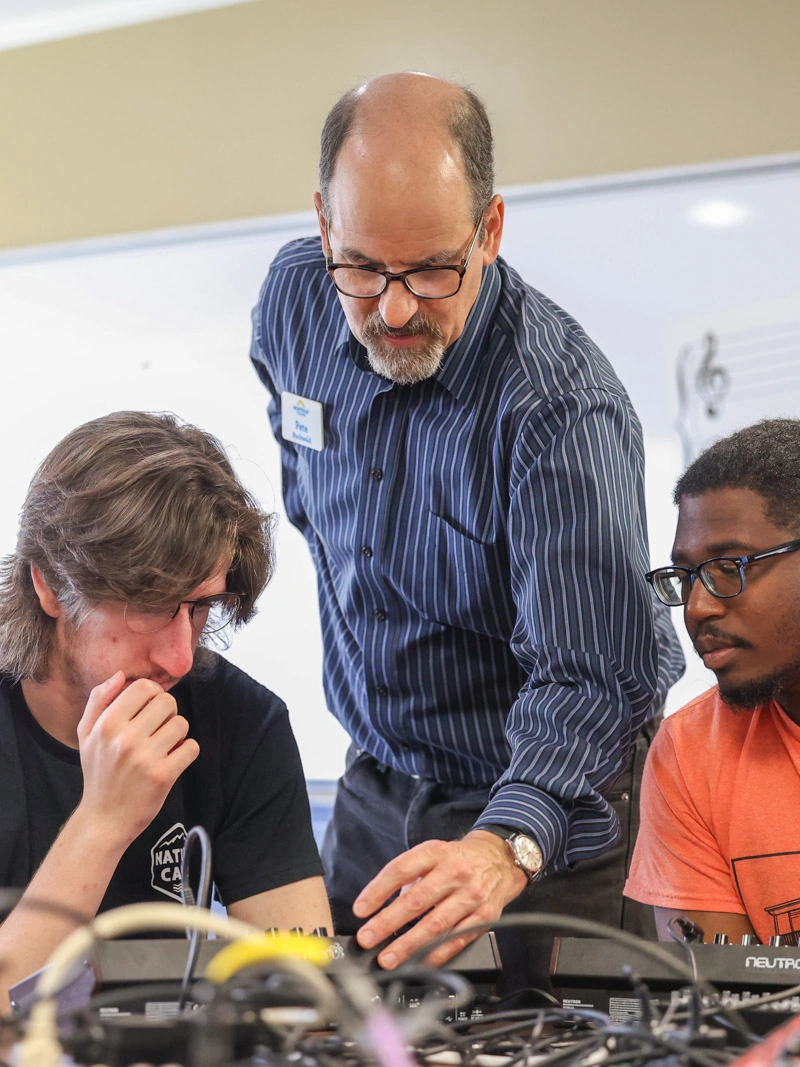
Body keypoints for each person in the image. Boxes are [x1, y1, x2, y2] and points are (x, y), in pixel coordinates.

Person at [249, 71, 684, 994]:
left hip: (538, 813)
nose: (396, 310)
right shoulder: (295, 300)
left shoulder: (561, 410)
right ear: (324, 226)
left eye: (433, 270)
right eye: (363, 267)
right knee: (352, 1037)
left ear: (489, 230)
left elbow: (595, 675)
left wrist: (505, 841)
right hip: (376, 785)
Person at [0, 411, 332, 1008]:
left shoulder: (243, 722)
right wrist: (102, 823)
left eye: (200, 607)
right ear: (49, 586)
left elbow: (303, 996)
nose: (180, 658)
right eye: (149, 605)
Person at [625, 418, 800, 945]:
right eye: (687, 576)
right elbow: (720, 1006)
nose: (697, 608)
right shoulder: (688, 753)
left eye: (730, 566)